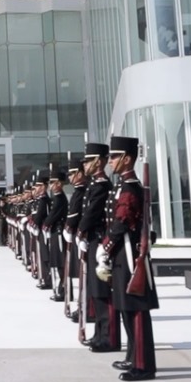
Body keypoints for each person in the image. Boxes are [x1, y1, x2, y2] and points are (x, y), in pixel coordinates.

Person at [101, 135, 159, 381]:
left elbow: (122, 221)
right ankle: (133, 357)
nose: (111, 161)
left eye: (114, 157)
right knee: (126, 309)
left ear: (127, 158)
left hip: (129, 255)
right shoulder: (122, 186)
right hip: (121, 255)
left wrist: (105, 246)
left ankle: (144, 366)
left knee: (135, 310)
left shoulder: (130, 187)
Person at [78, 142, 119, 352]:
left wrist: (81, 231)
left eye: (87, 160)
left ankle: (109, 337)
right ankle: (99, 333)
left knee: (103, 290)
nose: (84, 165)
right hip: (93, 240)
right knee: (96, 289)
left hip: (100, 240)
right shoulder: (94, 184)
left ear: (98, 161)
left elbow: (93, 213)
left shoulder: (102, 185)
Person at [64, 159, 87, 322]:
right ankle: (83, 306)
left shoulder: (81, 191)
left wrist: (72, 229)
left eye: (72, 173)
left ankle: (85, 307)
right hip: (79, 236)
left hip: (84, 237)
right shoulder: (79, 191)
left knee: (84, 276)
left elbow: (75, 216)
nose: (70, 177)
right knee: (81, 277)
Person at [45, 171, 68, 302]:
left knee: (60, 263)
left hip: (58, 231)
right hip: (54, 231)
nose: (51, 185)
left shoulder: (59, 198)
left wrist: (45, 224)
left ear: (59, 183)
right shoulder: (56, 197)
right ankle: (60, 288)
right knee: (57, 262)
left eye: (53, 182)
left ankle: (63, 290)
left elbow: (53, 215)